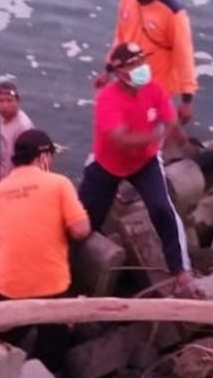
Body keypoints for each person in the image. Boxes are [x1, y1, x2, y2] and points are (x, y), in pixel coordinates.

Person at [79, 42, 191, 289]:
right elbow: (119, 138)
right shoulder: (108, 98)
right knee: (84, 222)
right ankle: (75, 272)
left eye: (142, 62)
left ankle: (180, 267)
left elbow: (170, 121)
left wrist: (179, 136)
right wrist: (155, 136)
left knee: (163, 209)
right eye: (133, 65)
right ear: (119, 72)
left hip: (145, 161)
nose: (141, 68)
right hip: (107, 163)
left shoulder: (154, 90)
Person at [0, 129, 91, 371]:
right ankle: (43, 373)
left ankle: (6, 352)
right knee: (53, 348)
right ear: (43, 156)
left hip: (9, 287)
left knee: (9, 335)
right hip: (50, 286)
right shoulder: (58, 183)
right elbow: (81, 230)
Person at [94, 0, 198, 125]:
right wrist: (108, 69)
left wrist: (187, 100)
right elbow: (120, 37)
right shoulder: (128, 0)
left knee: (147, 134)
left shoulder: (173, 14)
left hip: (157, 87)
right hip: (127, 82)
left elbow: (184, 56)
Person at [0, 80, 34, 181]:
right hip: (5, 173)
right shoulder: (4, 116)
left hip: (17, 179)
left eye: (9, 100)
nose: (5, 105)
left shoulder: (23, 127)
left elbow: (28, 161)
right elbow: (5, 146)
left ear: (18, 102)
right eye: (0, 101)